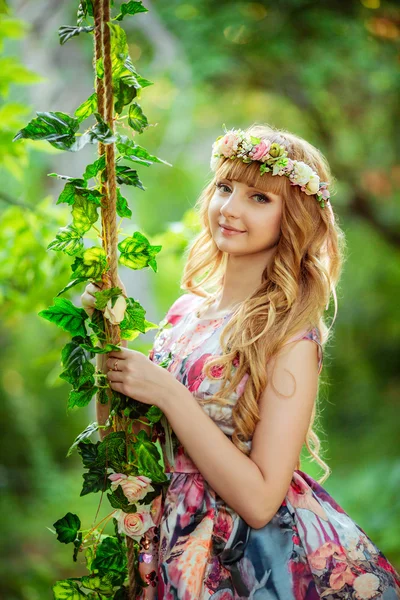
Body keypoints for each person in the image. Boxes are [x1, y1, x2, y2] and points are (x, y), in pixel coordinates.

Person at [81, 124, 400, 599]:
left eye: (259, 198)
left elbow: (260, 501)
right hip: (170, 540)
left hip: (242, 558)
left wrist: (168, 393)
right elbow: (125, 449)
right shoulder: (184, 315)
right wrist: (103, 344)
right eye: (225, 188)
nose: (230, 208)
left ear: (292, 217)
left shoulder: (292, 338)